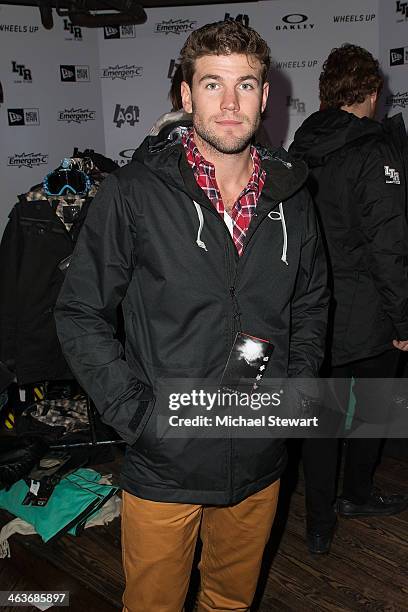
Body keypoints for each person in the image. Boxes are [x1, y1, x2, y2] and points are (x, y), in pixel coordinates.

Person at [55, 20, 329, 611]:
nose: (230, 104)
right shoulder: (132, 194)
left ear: (265, 96)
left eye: (246, 85)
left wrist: (296, 393)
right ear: (186, 95)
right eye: (212, 84)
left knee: (230, 603)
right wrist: (139, 417)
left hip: (259, 455)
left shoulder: (292, 197)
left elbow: (310, 303)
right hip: (165, 461)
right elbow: (79, 313)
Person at [290, 43, 408, 555]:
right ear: (372, 91)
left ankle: (318, 524)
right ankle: (356, 495)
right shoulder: (373, 150)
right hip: (368, 311)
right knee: (373, 407)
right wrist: (404, 319)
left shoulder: (299, 146)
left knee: (321, 421)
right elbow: (390, 246)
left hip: (312, 310)